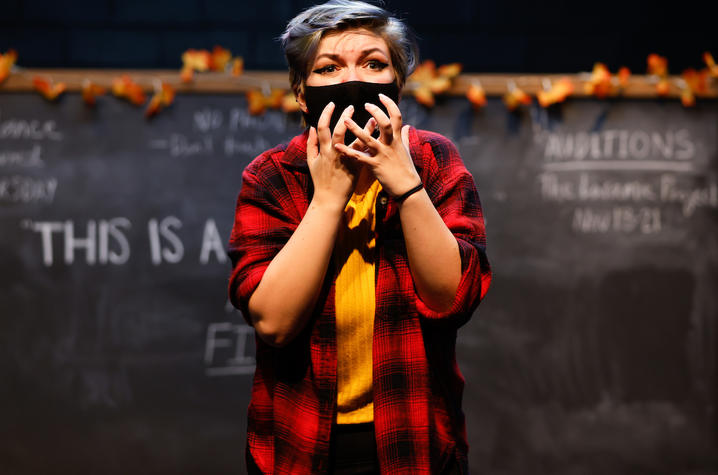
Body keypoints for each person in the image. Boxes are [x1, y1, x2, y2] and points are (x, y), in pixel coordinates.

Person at [227, 1, 491, 473]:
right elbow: (274, 322)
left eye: (374, 64)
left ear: (397, 85)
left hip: (415, 440)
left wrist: (406, 187)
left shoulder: (433, 160)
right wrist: (328, 199)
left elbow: (452, 299)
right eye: (329, 68)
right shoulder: (273, 177)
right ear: (302, 94)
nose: (356, 80)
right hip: (298, 443)